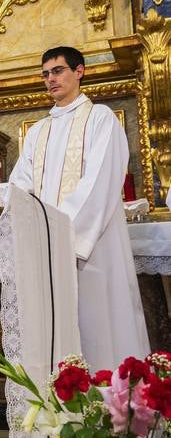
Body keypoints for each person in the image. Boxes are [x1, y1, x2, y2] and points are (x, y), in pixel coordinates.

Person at [9, 46, 150, 367]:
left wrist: (62, 234)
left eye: (57, 71)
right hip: (46, 250)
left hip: (90, 247)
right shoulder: (38, 131)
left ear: (79, 71)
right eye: (45, 74)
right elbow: (20, 184)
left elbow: (101, 181)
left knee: (100, 327)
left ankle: (110, 404)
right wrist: (36, 232)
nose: (50, 79)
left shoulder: (100, 119)